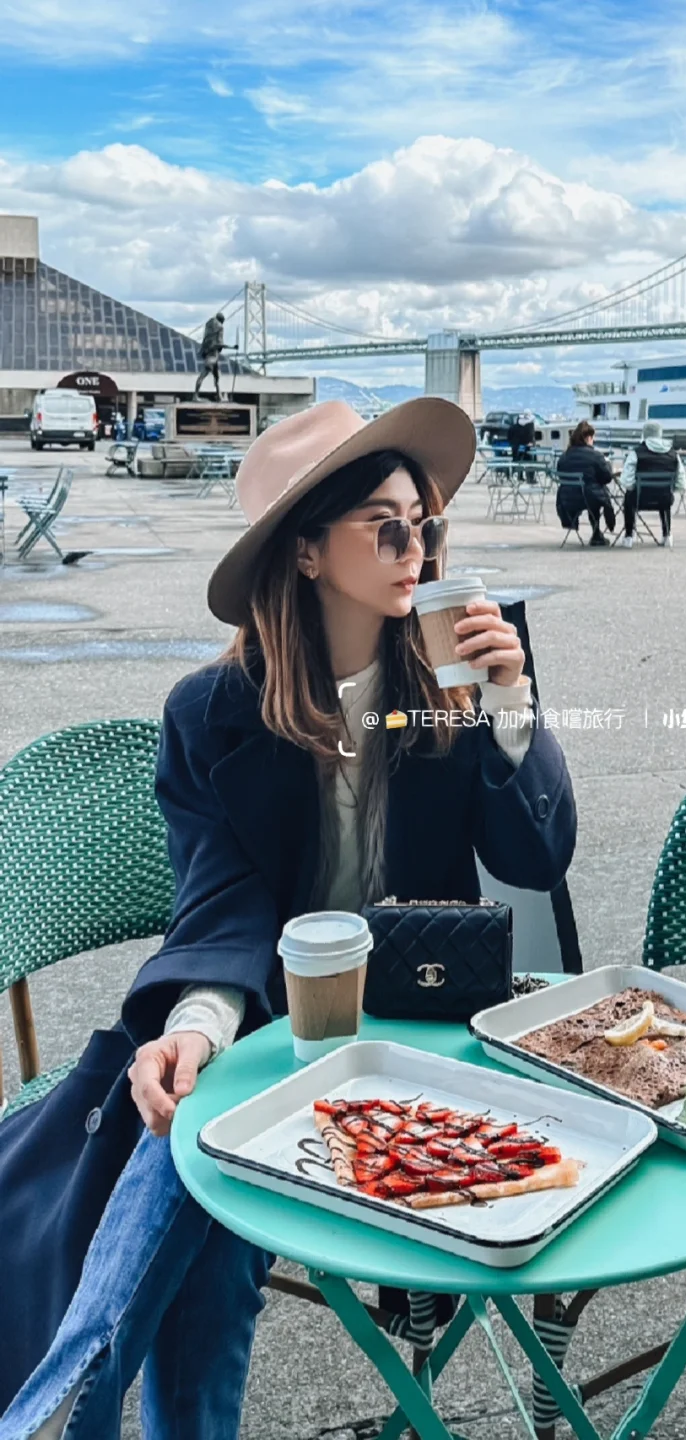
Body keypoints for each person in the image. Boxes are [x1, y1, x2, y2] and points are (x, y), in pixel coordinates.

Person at [0, 398, 577, 1439]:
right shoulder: (211, 713)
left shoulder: (458, 675)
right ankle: (95, 1403)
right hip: (275, 1030)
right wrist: (197, 1025)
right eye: (388, 527)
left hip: (426, 1025)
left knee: (209, 1176)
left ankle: (75, 1399)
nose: (419, 551)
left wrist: (513, 718)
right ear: (308, 552)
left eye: (428, 526)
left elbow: (535, 858)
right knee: (201, 1201)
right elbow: (220, 901)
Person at [617, 419, 686, 549]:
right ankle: (667, 535)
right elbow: (682, 482)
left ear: (644, 434)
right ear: (660, 434)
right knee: (664, 499)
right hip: (664, 499)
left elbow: (627, 481)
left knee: (628, 498)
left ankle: (628, 536)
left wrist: (633, 488)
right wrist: (672, 489)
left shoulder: (636, 453)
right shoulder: (673, 454)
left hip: (639, 499)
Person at [555, 420, 616, 545]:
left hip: (567, 498)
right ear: (588, 438)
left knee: (591, 491)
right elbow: (607, 477)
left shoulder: (564, 456)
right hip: (589, 497)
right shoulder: (596, 456)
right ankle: (596, 533)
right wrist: (607, 464)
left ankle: (596, 533)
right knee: (596, 495)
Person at [193, 312, 238, 402]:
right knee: (203, 376)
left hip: (212, 357)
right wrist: (232, 347)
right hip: (212, 358)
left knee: (217, 377)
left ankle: (219, 397)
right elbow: (219, 344)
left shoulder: (209, 328)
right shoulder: (220, 328)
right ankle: (195, 396)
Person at [506, 412, 536, 480]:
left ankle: (518, 476)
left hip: (515, 447)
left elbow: (509, 437)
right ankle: (530, 477)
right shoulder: (527, 427)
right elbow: (528, 438)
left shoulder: (512, 427)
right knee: (529, 462)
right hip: (524, 448)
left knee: (516, 461)